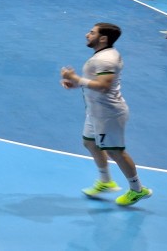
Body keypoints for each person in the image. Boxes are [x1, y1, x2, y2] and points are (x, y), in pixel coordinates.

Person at [60, 23, 152, 206]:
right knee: (89, 142)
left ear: (103, 38)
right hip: (95, 111)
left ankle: (137, 189)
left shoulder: (106, 60)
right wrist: (76, 84)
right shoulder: (103, 54)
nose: (87, 35)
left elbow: (104, 86)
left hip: (108, 114)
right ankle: (105, 181)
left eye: (92, 32)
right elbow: (96, 81)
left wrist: (76, 78)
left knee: (115, 151)